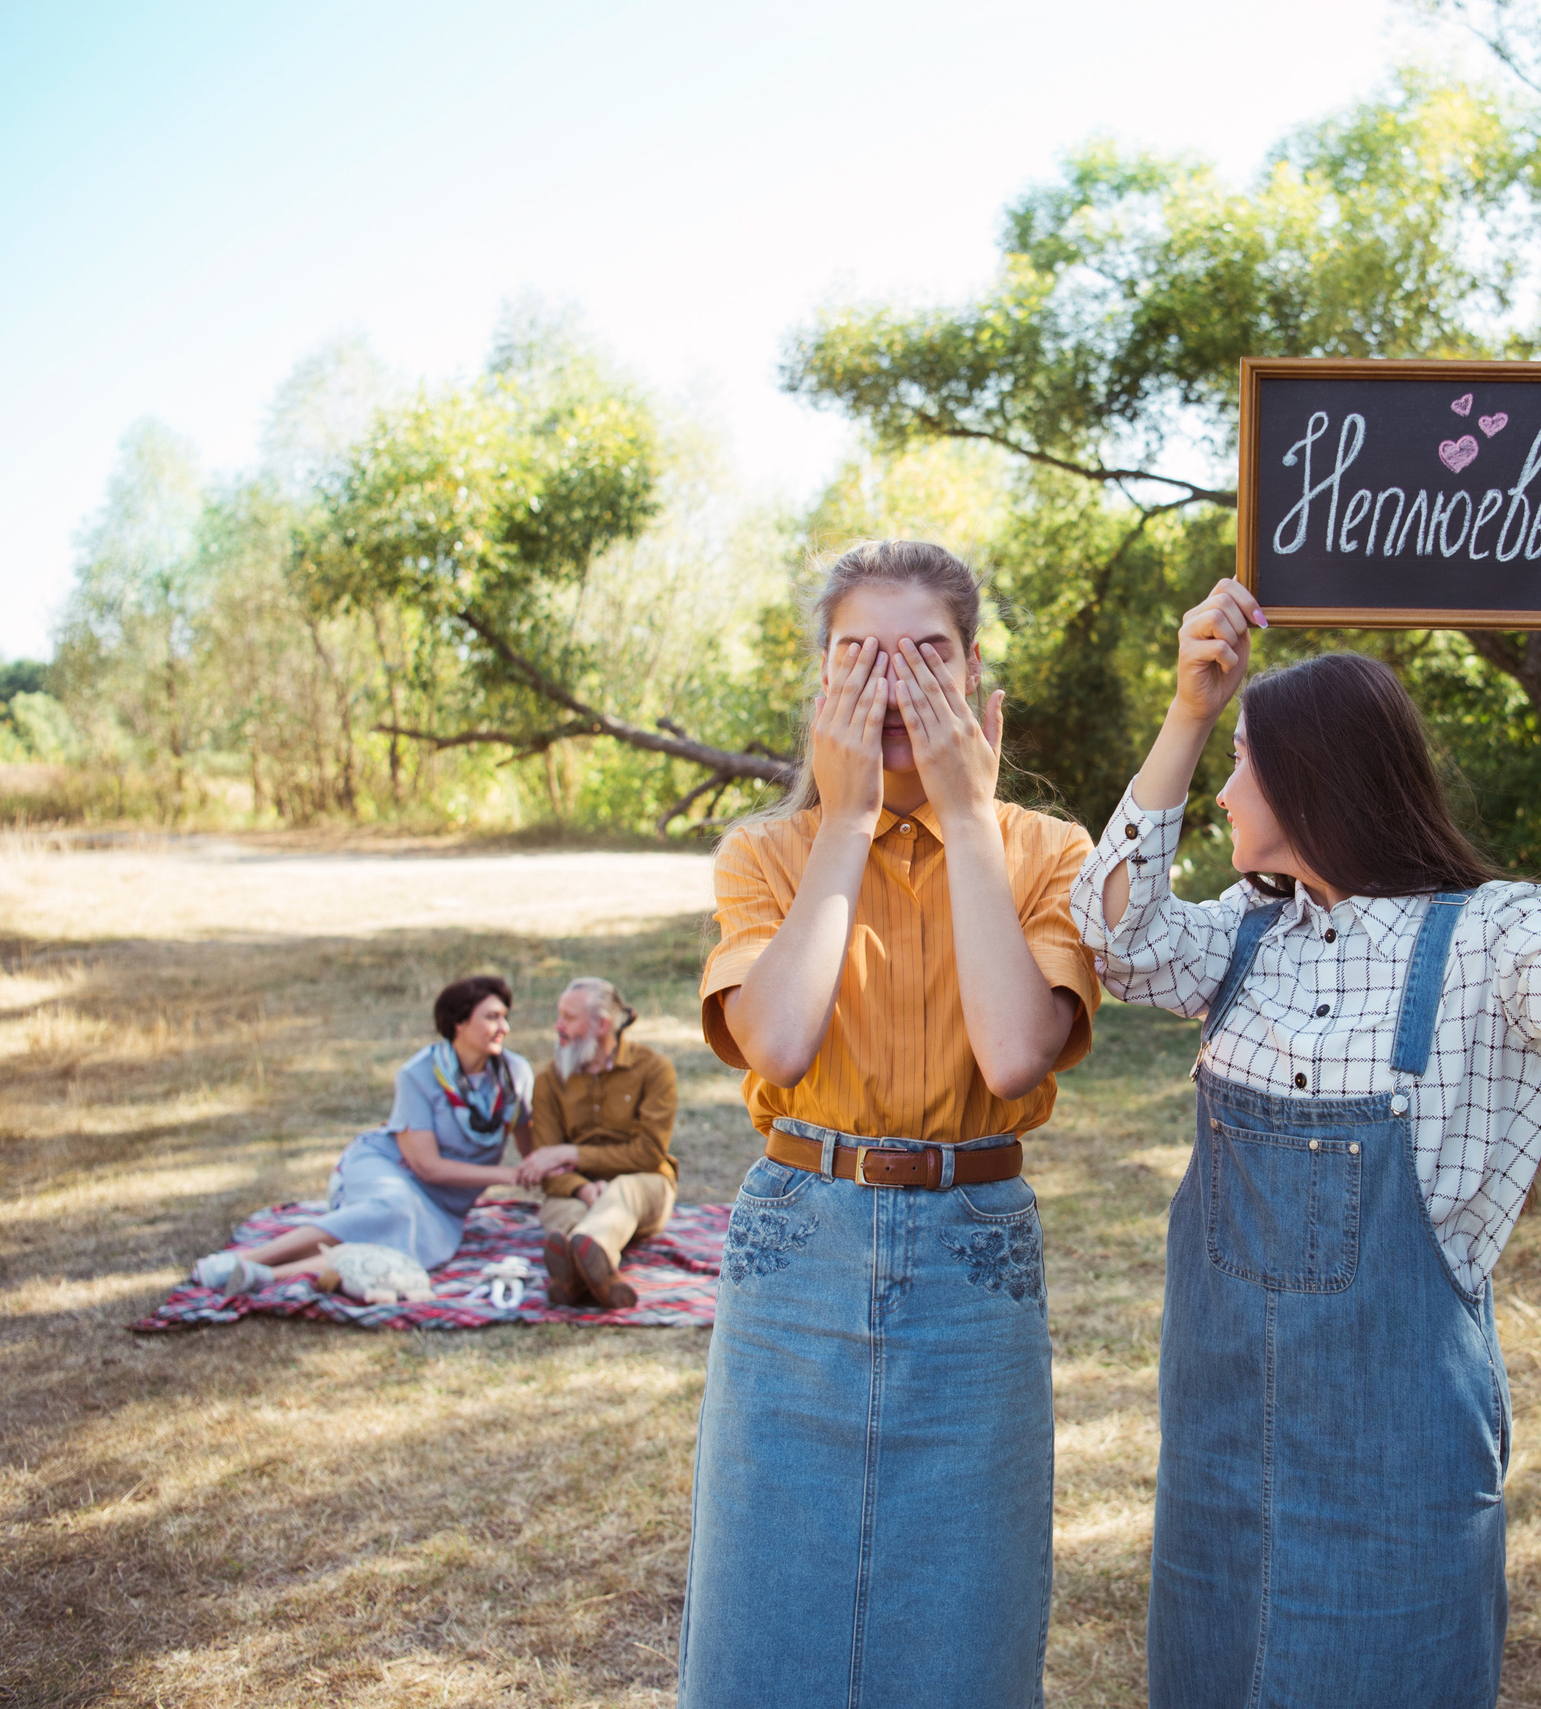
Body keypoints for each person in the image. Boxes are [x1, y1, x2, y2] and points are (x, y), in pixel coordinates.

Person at [1073, 574, 1541, 1708]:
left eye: (1238, 759)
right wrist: (1186, 713)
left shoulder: (1490, 935)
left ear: (1309, 776)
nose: (1222, 792)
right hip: (1219, 1443)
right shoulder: (1246, 937)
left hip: (1396, 1457)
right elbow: (1111, 934)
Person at [680, 540, 1102, 1709]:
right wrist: (848, 815)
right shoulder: (765, 851)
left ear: (978, 687)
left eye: (926, 656)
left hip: (974, 1247)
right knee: (764, 1598)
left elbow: (1016, 1050)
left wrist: (969, 818)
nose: (893, 687)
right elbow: (777, 1041)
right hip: (795, 1241)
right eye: (858, 658)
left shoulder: (1045, 852)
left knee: (966, 1607)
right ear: (822, 691)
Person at [193, 975, 535, 1292]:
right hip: (390, 1168)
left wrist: (543, 1169)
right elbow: (427, 1167)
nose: (503, 1027)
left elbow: (528, 1137)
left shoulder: (514, 1073)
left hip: (445, 1203)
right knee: (393, 1209)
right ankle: (247, 1260)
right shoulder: (418, 1074)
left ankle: (265, 1277)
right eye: (491, 1017)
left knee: (411, 1246)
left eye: (505, 1017)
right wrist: (508, 1175)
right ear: (459, 1022)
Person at [514, 975, 678, 1310]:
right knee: (563, 1210)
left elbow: (648, 1155)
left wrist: (570, 1153)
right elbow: (544, 1164)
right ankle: (600, 1275)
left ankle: (574, 1275)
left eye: (568, 1018)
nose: (557, 1026)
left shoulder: (654, 1070)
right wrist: (581, 1188)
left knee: (622, 1193)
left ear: (602, 1024)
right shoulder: (549, 1081)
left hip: (645, 1185)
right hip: (574, 1191)